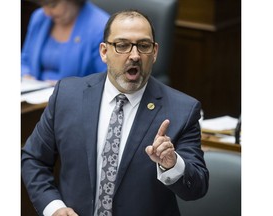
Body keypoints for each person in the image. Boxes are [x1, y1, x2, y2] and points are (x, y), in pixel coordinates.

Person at [21, 9, 209, 216]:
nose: (135, 55)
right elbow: (33, 159)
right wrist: (53, 208)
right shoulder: (67, 95)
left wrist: (172, 165)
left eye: (144, 46)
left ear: (154, 52)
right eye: (122, 45)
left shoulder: (182, 109)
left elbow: (197, 187)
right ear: (104, 52)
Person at [21, 0, 109, 83]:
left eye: (52, 5)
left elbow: (106, 80)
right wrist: (26, 76)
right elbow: (24, 59)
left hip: (76, 97)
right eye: (42, 5)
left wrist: (68, 89)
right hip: (34, 96)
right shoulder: (39, 17)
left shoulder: (101, 27)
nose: (47, 13)